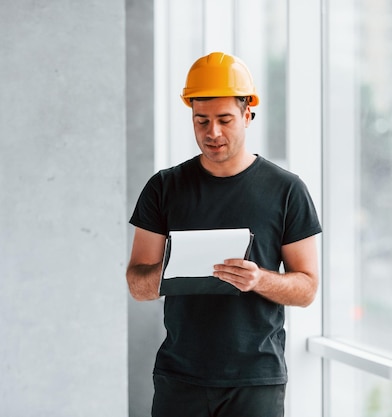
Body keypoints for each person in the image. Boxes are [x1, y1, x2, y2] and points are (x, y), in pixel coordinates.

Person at [126, 51, 322, 417]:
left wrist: (259, 279)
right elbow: (137, 284)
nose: (212, 132)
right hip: (179, 377)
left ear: (248, 115)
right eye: (201, 121)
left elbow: (307, 288)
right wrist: (173, 270)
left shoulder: (287, 190)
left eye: (225, 120)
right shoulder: (164, 188)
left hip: (256, 380)